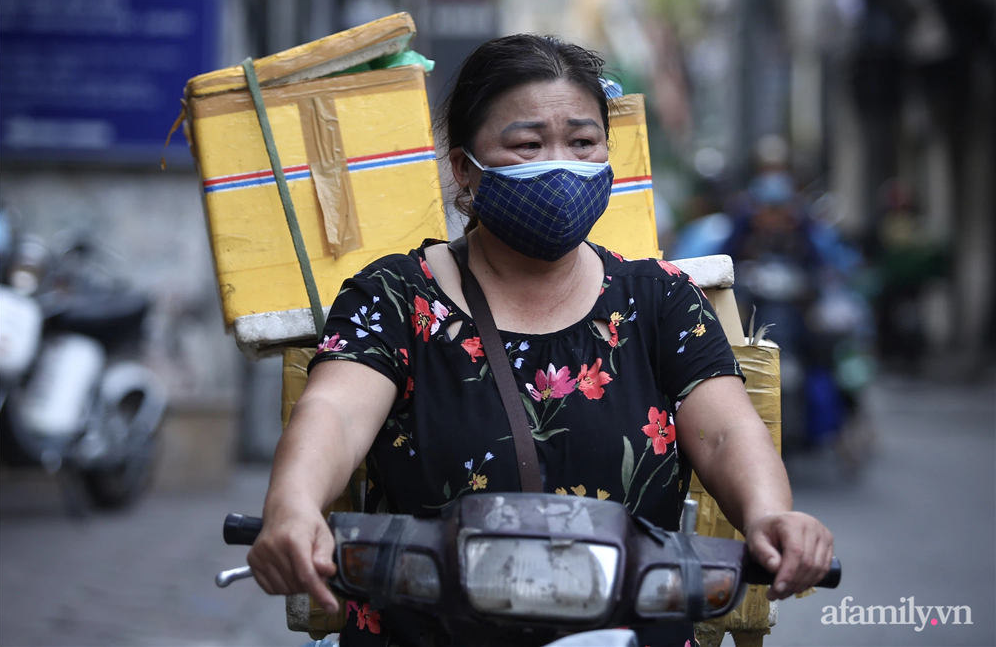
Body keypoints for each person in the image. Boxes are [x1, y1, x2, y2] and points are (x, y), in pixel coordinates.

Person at [247, 35, 834, 647]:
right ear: (463, 170)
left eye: (582, 142)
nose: (560, 164)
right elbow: (336, 412)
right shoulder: (395, 297)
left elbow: (726, 431)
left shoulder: (659, 299)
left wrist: (771, 514)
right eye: (528, 144)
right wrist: (292, 507)